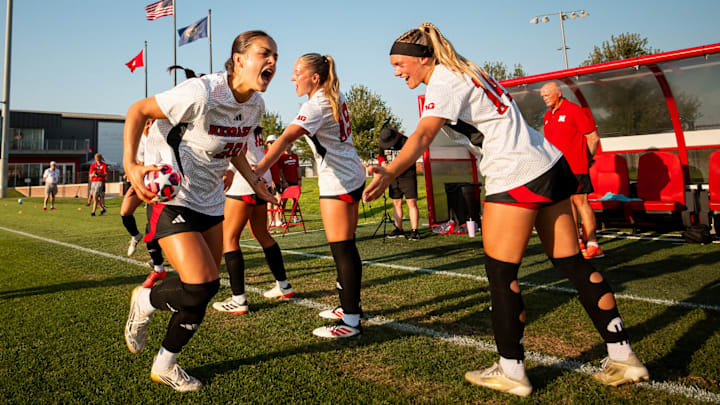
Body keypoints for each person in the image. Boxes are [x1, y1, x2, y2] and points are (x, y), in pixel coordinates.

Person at [363, 23, 648, 397]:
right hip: (549, 164)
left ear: (424, 58)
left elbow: (423, 135)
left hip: (515, 174)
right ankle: (623, 356)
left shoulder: (444, 80)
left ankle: (512, 371)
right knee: (572, 262)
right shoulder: (468, 69)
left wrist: (390, 170)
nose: (397, 72)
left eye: (400, 64)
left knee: (501, 274)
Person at [123, 30, 278, 392]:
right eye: (264, 54)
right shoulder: (201, 92)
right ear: (239, 59)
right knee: (203, 281)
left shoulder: (255, 105)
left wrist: (257, 183)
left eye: (275, 55)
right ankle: (144, 301)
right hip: (173, 197)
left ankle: (165, 365)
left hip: (211, 202)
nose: (272, 61)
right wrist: (131, 166)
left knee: (201, 293)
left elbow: (236, 147)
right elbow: (138, 110)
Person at [256, 52, 366, 339]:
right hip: (351, 175)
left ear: (314, 77)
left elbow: (285, 138)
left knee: (342, 249)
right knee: (347, 247)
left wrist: (258, 169)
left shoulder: (316, 104)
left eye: (297, 72)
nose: (292, 78)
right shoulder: (333, 95)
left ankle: (351, 320)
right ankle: (349, 308)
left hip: (338, 181)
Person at [213, 126, 295, 315]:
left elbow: (239, 147)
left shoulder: (238, 115)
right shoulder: (252, 114)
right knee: (261, 233)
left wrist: (231, 170)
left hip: (245, 179)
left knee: (230, 238)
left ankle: (238, 299)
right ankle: (283, 284)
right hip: (258, 176)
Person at [540, 82, 604, 259]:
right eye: (542, 96)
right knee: (567, 205)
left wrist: (588, 159)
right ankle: (577, 241)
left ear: (558, 93)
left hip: (576, 167)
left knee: (581, 202)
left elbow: (592, 138)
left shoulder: (574, 110)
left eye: (547, 95)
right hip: (558, 169)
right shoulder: (547, 116)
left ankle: (593, 243)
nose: (544, 98)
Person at [120, 118, 167, 287]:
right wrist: (135, 179)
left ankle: (158, 263)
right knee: (125, 211)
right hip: (142, 181)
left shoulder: (164, 133)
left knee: (153, 225)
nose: (150, 124)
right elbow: (137, 162)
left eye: (153, 121)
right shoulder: (140, 139)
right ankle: (135, 236)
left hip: (159, 184)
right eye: (147, 122)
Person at [376, 126, 420, 240]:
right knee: (396, 202)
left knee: (411, 202)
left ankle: (414, 231)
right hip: (393, 177)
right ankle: (398, 229)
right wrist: (383, 164)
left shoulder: (405, 141)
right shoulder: (383, 141)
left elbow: (412, 157)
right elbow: (380, 157)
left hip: (407, 176)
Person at [278, 144, 302, 222]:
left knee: (295, 200)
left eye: (288, 145)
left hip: (295, 181)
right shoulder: (281, 157)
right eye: (285, 145)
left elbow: (298, 168)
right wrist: (284, 181)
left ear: (291, 146)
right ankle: (281, 217)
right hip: (286, 182)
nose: (287, 147)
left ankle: (294, 217)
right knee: (284, 200)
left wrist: (299, 179)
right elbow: (280, 170)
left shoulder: (295, 156)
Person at [265, 134, 284, 227]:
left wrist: (282, 180)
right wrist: (271, 180)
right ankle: (271, 220)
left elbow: (279, 168)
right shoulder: (264, 153)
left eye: (274, 142)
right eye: (271, 143)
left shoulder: (277, 154)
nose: (273, 144)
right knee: (271, 201)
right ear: (267, 143)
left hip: (277, 181)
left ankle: (277, 220)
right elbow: (265, 168)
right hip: (269, 181)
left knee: (277, 200)